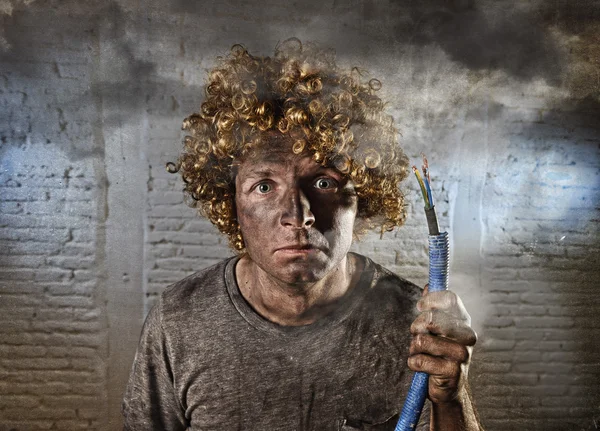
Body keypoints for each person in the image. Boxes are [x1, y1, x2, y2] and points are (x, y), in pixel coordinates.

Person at [122, 39, 483, 430]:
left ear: (362, 196)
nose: (299, 215)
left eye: (324, 183)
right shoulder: (178, 320)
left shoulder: (416, 326)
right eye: (264, 186)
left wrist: (452, 399)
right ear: (231, 206)